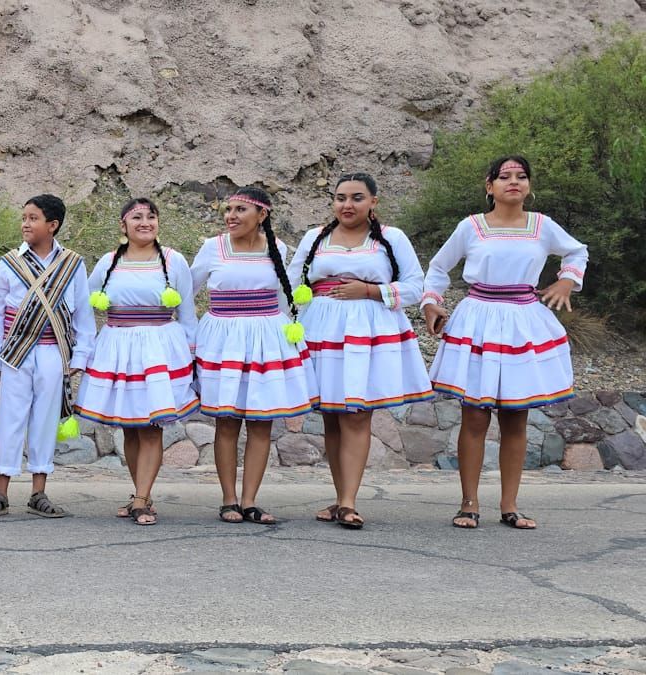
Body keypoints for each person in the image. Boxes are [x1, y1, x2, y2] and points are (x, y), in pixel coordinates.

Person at [422, 155, 588, 530]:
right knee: (476, 416)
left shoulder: (542, 226)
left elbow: (578, 251)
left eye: (521, 176)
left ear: (529, 186)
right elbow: (437, 268)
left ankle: (510, 505)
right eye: (505, 176)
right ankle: (469, 504)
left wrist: (566, 280)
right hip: (479, 317)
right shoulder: (472, 227)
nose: (514, 182)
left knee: (516, 416)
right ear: (489, 186)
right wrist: (431, 303)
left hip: (522, 320)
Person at [287, 173, 431, 530]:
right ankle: (340, 499)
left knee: (356, 413)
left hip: (369, 328)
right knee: (332, 416)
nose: (347, 205)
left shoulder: (390, 239)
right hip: (322, 328)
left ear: (373, 202)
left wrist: (368, 291)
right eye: (340, 198)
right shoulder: (316, 237)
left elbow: (415, 286)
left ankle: (350, 501)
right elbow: (291, 282)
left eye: (356, 198)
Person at [192, 187, 316, 524]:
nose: (231, 215)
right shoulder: (212, 248)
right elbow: (187, 293)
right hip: (224, 341)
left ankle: (250, 500)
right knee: (227, 422)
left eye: (240, 209)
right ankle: (228, 499)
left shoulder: (278, 249)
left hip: (266, 341)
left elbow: (283, 297)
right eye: (228, 209)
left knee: (261, 423)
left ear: (262, 215)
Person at [75, 198, 198, 526]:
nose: (145, 222)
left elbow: (187, 315)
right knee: (130, 428)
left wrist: (191, 355)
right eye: (137, 217)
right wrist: (84, 350)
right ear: (123, 225)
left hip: (159, 348)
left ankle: (142, 499)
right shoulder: (109, 262)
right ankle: (139, 492)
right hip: (119, 348)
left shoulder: (173, 262)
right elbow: (85, 307)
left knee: (151, 427)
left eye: (151, 216)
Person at [0, 195, 96, 520]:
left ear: (52, 225)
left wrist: (79, 358)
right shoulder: (9, 263)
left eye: (33, 218)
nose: (25, 224)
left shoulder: (72, 265)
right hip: (15, 354)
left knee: (45, 420)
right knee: (9, 420)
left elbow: (83, 314)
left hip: (54, 353)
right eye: (23, 217)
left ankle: (38, 492)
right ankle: (0, 492)